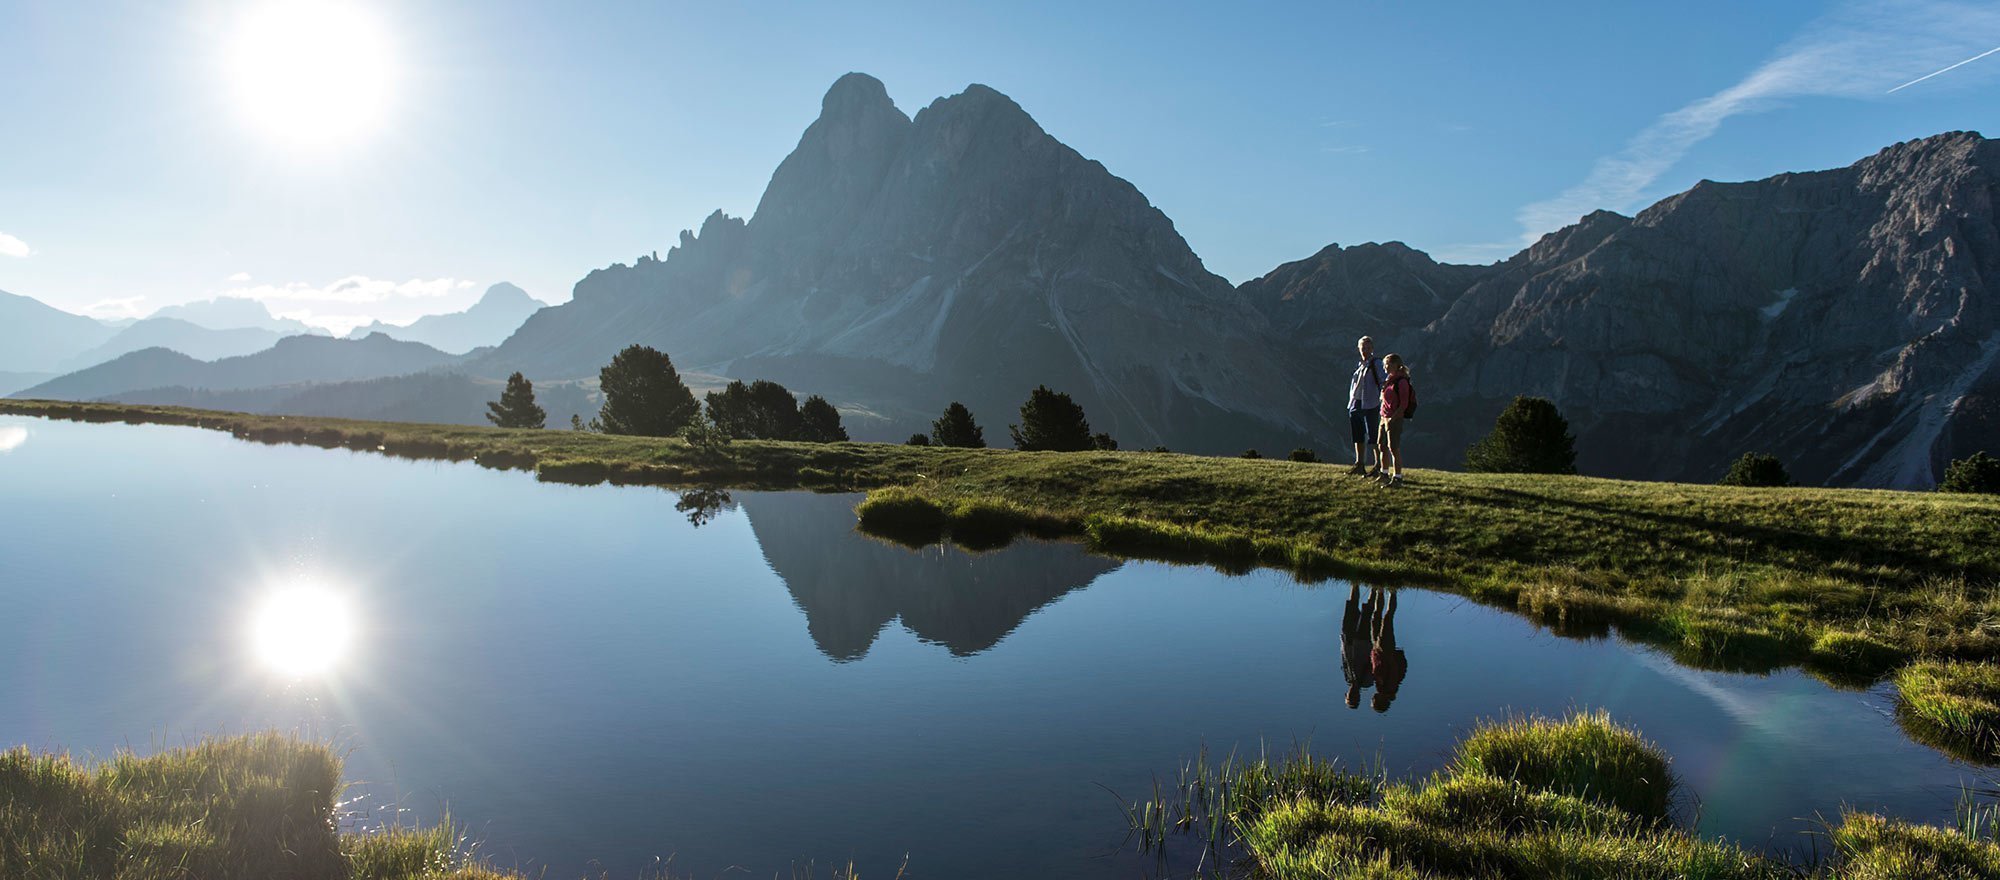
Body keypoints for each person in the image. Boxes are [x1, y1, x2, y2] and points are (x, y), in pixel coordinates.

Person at [1346, 336, 1387, 476]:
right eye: (1363, 347)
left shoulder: (1377, 364)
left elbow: (1384, 381)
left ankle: (1378, 465)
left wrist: (1383, 398)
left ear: (1372, 349)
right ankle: (1359, 463)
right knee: (1357, 434)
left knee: (1373, 435)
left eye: (1368, 347)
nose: (1365, 350)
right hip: (1356, 402)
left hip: (1371, 403)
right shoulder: (1360, 365)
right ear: (1359, 349)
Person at [1375, 354, 1416, 487]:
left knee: (1393, 447)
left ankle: (1397, 477)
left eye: (1386, 364)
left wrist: (1393, 418)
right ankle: (1384, 473)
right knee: (1381, 446)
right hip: (1384, 417)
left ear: (1394, 365)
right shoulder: (1390, 380)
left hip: (1394, 418)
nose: (1384, 367)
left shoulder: (1401, 382)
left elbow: (1403, 404)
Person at [1369, 588, 1407, 713]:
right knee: (1387, 618)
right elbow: (1392, 667)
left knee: (1376, 617)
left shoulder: (1382, 688)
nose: (1372, 698)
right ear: (1380, 701)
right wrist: (1385, 654)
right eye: (1374, 701)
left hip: (1377, 649)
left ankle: (1380, 591)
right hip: (1384, 648)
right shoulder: (1389, 686)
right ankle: (1392, 591)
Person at [1339, 582, 1375, 709]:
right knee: (1368, 611)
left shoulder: (1347, 678)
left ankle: (1355, 581)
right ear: (1359, 697)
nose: (1352, 694)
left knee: (1352, 605)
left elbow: (1343, 658)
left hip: (1348, 639)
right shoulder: (1367, 682)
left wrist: (1343, 641)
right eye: (1354, 698)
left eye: (1350, 696)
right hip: (1363, 642)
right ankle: (1375, 586)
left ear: (1346, 694)